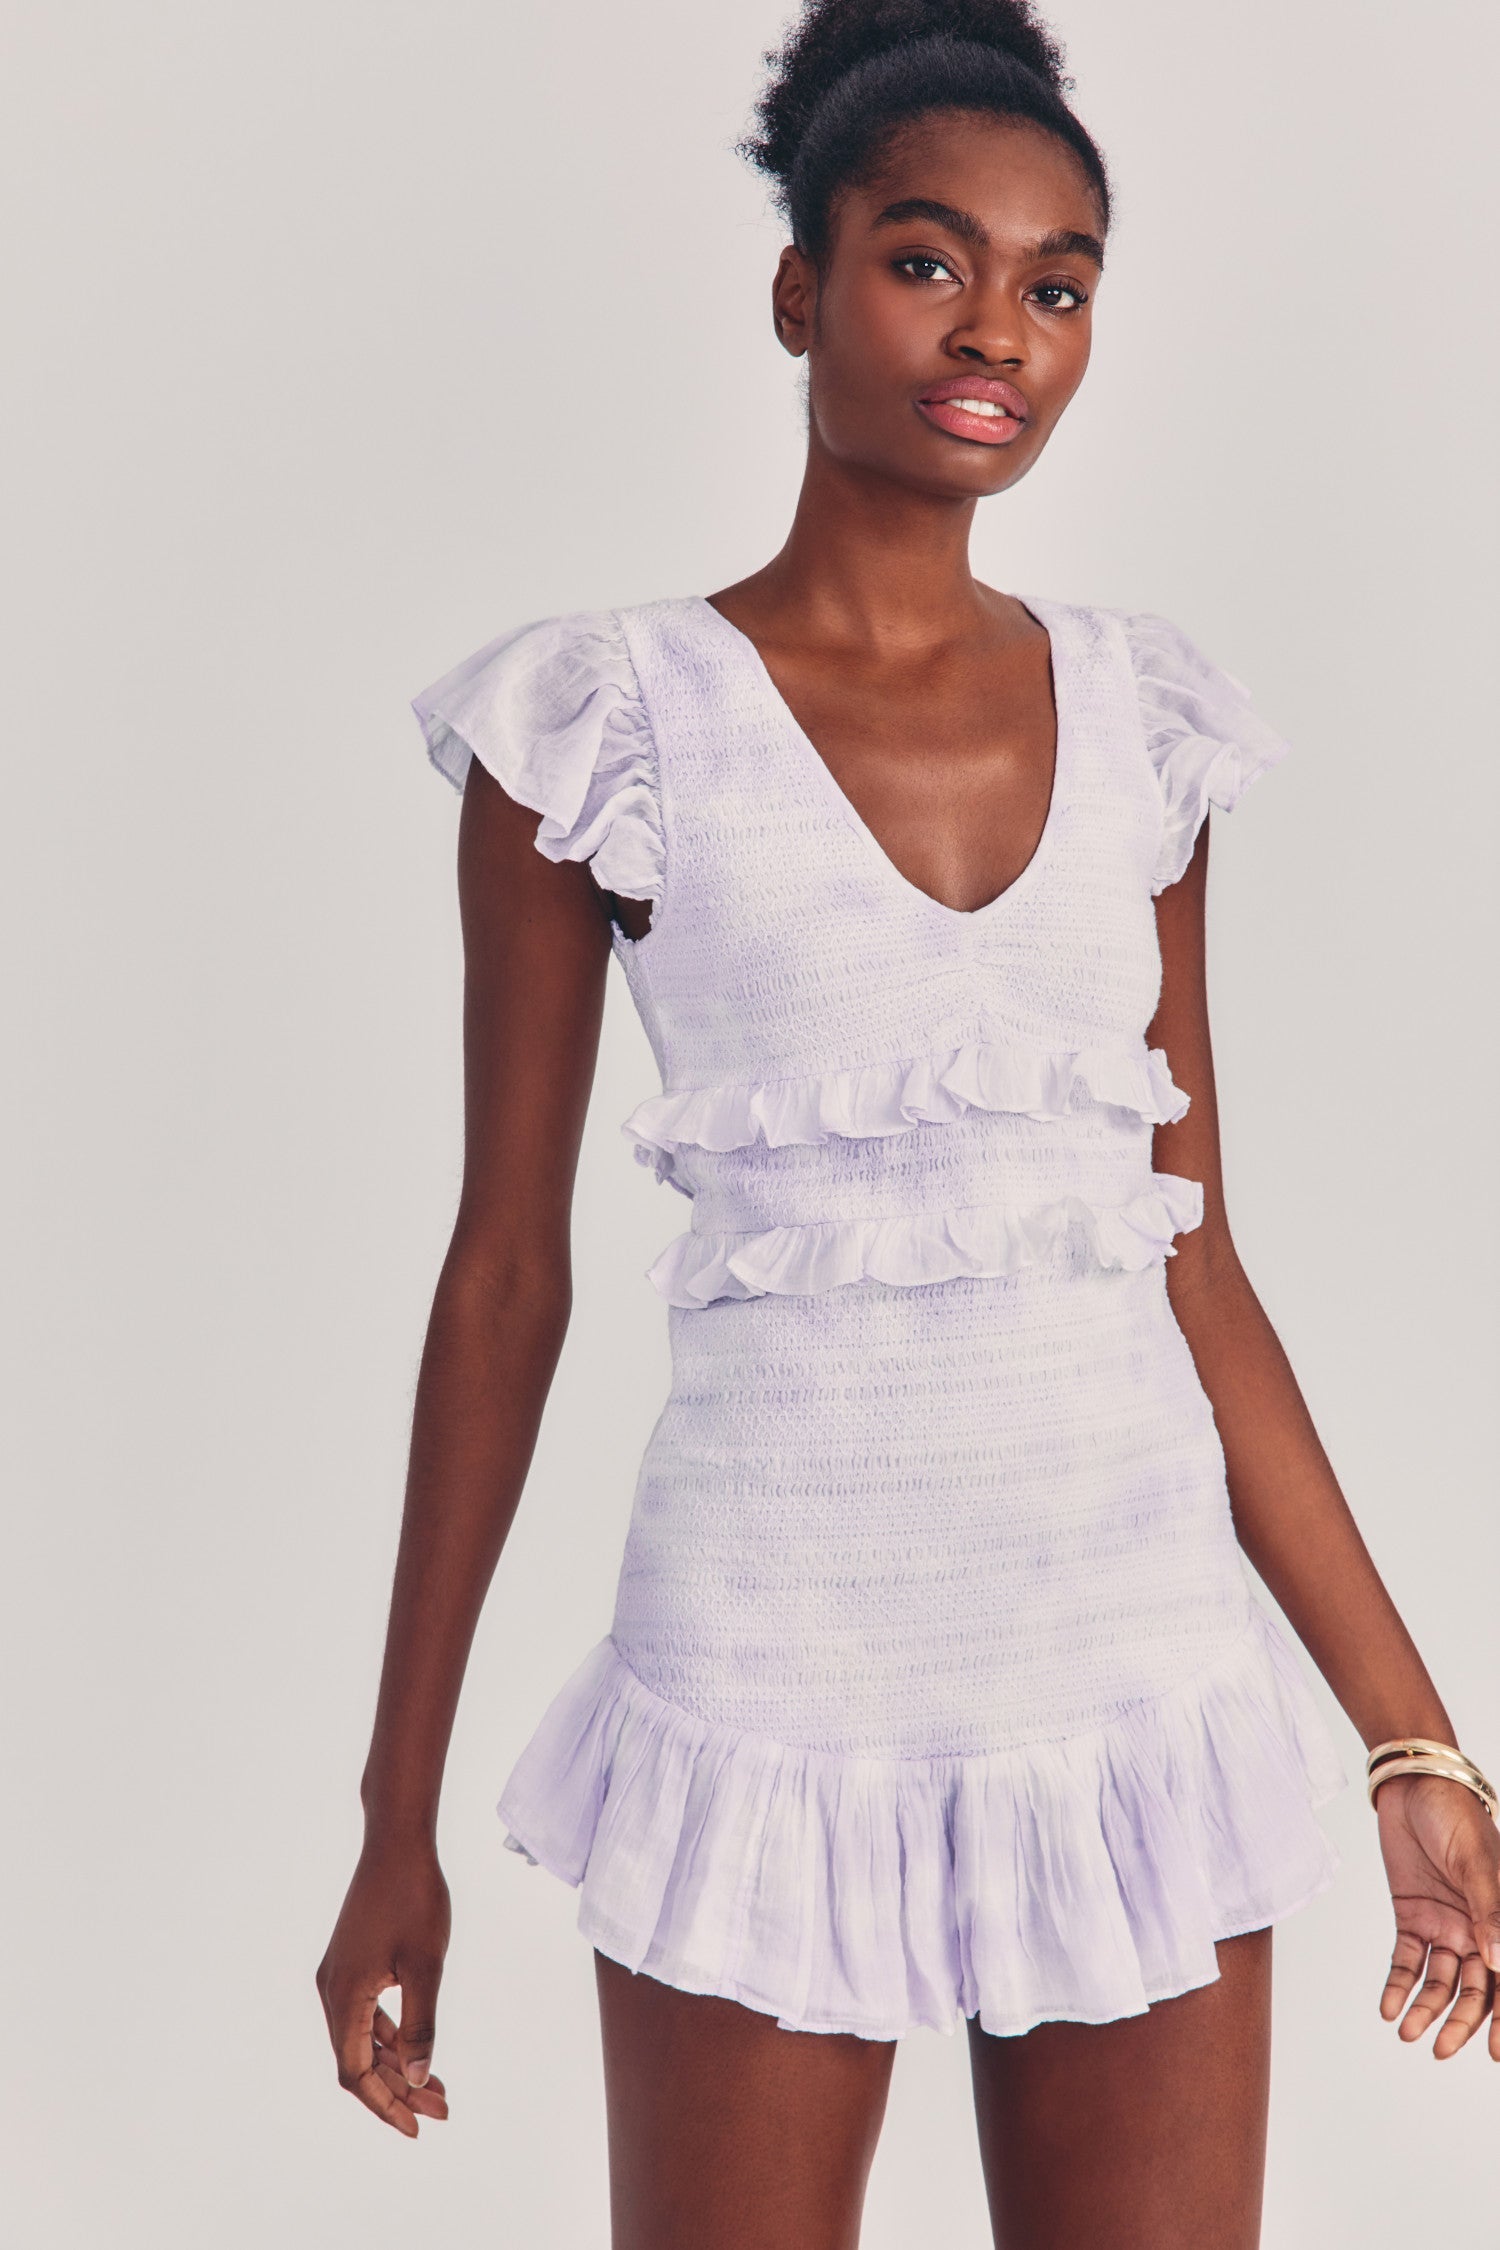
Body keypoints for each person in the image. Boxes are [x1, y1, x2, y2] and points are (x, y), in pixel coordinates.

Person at [316, 3, 1500, 2242]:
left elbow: (1190, 1250)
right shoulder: (607, 721)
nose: (999, 332)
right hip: (767, 1683)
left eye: (1060, 284)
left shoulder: (1145, 719)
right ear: (801, 289)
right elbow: (503, 1275)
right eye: (929, 260)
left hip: (1133, 1676)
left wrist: (1412, 1737)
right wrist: (397, 1816)